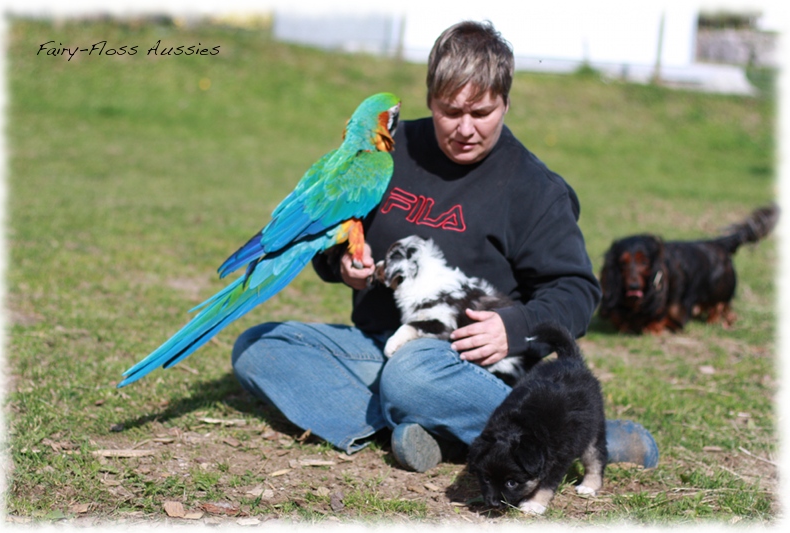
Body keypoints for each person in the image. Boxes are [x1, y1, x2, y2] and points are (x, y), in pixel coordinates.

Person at [231, 20, 658, 473]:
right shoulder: (387, 152)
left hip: (460, 365)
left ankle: (571, 436)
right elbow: (322, 230)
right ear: (431, 100)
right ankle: (428, 428)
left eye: (483, 113)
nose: (466, 129)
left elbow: (577, 292)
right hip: (378, 345)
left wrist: (513, 327)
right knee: (259, 347)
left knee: (411, 374)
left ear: (506, 103)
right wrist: (340, 262)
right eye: (451, 112)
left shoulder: (536, 189)